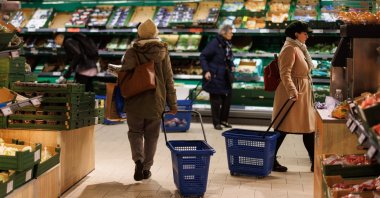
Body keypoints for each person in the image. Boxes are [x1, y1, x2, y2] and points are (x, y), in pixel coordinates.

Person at [120, 19, 177, 181]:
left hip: (135, 100)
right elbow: (168, 79)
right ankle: (146, 169)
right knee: (152, 136)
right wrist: (172, 103)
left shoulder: (132, 51)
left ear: (139, 33)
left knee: (135, 132)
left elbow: (125, 73)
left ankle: (138, 160)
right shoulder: (163, 52)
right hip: (156, 101)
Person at [271, 21, 315, 172]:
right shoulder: (289, 48)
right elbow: (285, 73)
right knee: (283, 127)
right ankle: (271, 160)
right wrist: (292, 90)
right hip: (293, 93)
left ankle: (315, 163)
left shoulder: (299, 47)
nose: (307, 36)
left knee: (308, 128)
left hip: (301, 92)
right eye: (305, 33)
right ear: (296, 34)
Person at [200, 24, 235, 130]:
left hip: (225, 76)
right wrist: (206, 71)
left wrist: (232, 65)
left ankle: (224, 120)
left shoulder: (227, 44)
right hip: (214, 75)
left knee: (227, 99)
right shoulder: (215, 43)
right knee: (216, 101)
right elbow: (203, 56)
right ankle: (216, 123)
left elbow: (228, 58)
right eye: (230, 32)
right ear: (224, 32)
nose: (232, 34)